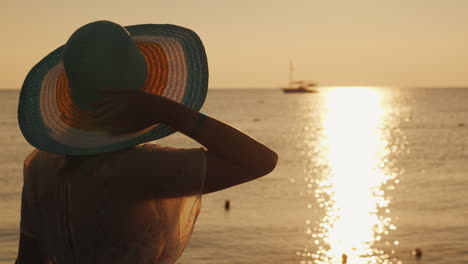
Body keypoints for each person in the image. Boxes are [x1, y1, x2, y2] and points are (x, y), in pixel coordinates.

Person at [15, 20, 277, 264]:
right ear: (142, 95)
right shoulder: (141, 169)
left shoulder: (41, 166)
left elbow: (28, 260)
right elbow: (261, 160)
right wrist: (168, 112)